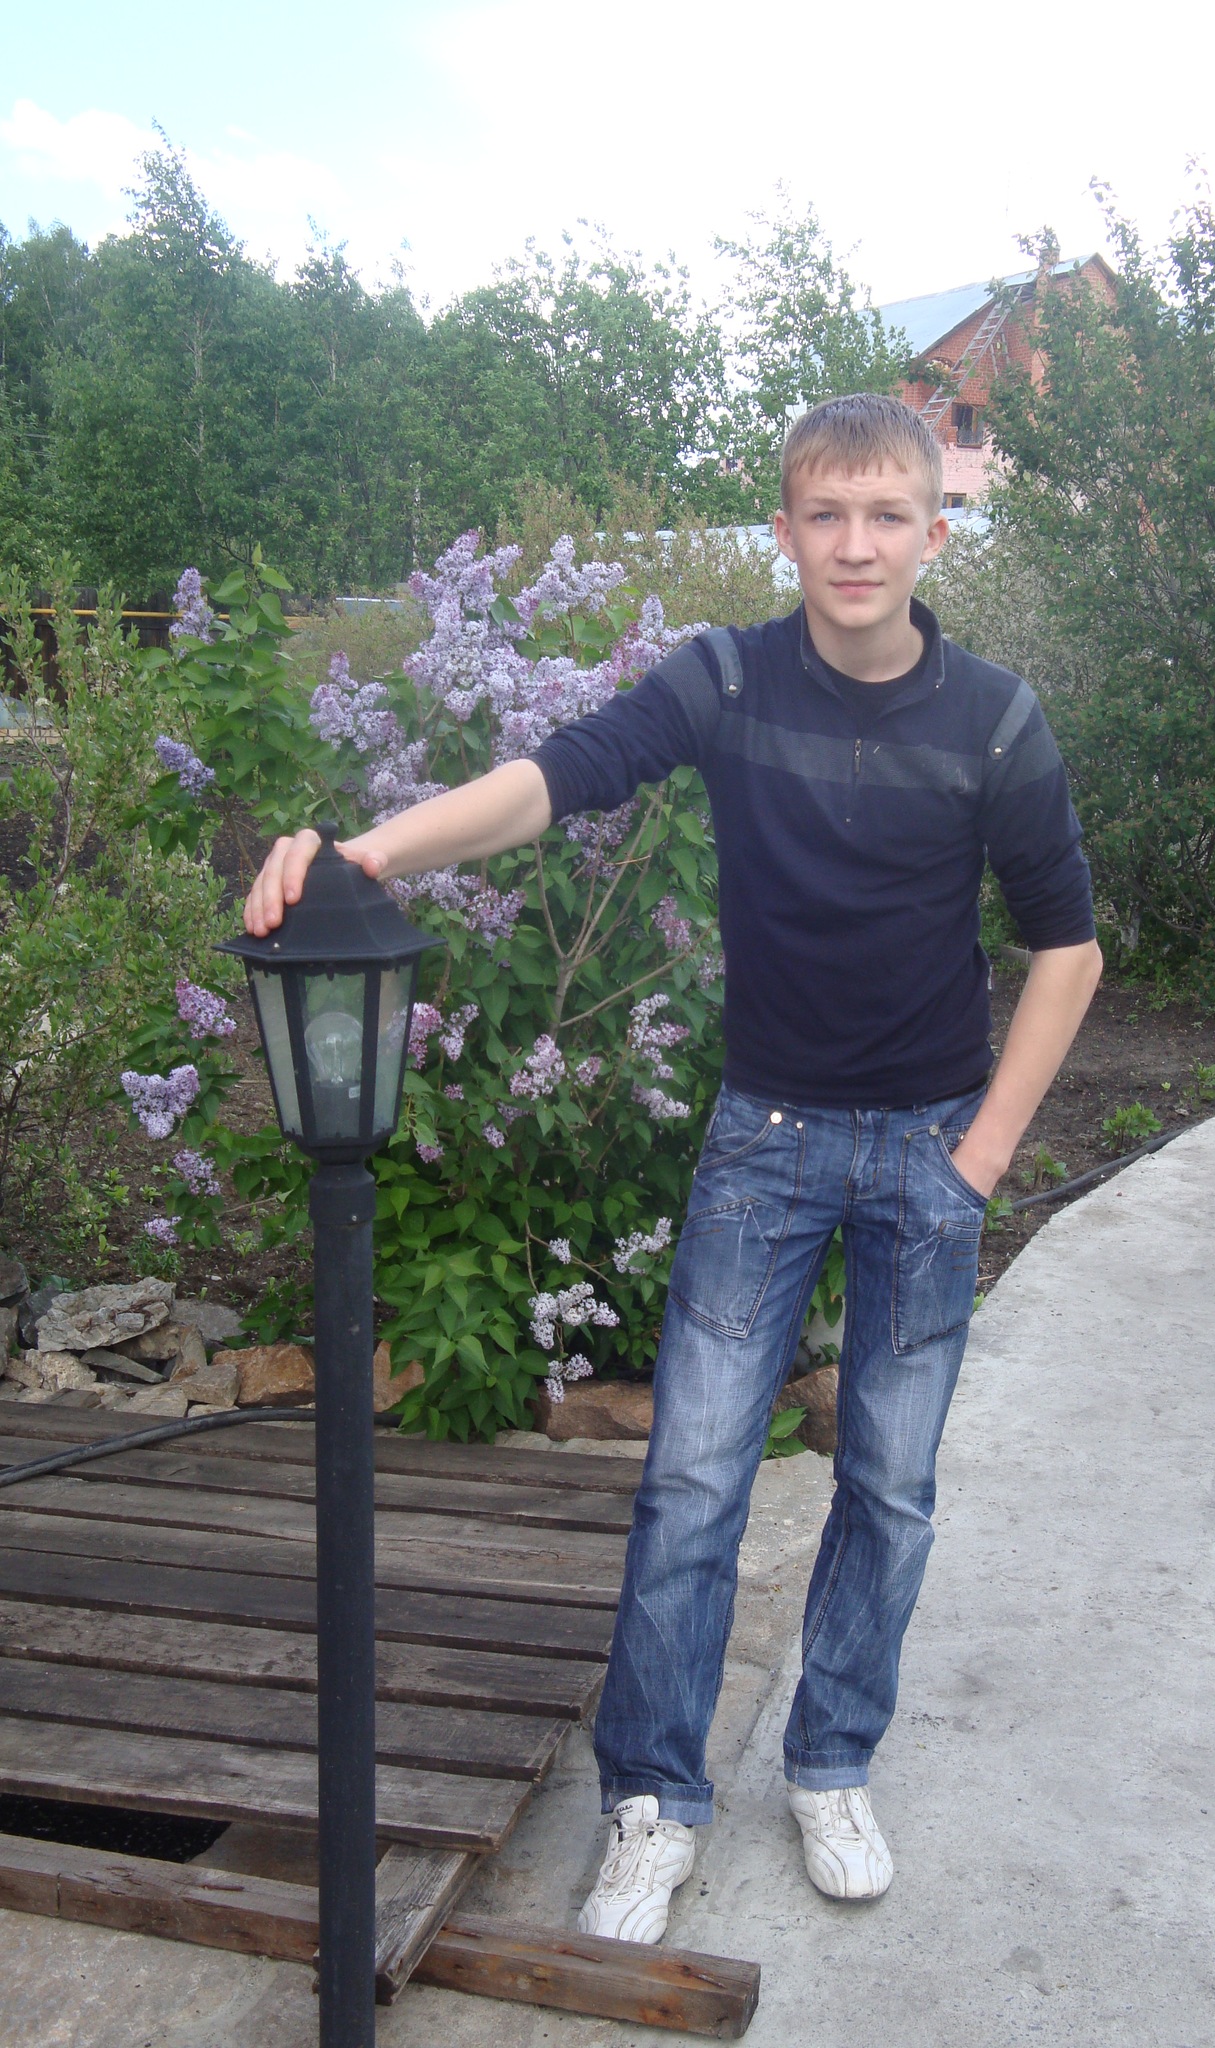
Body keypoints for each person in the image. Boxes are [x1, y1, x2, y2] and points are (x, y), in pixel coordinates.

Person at [245, 393, 1102, 1946]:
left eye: (885, 516)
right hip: (762, 1144)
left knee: (890, 1486)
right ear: (785, 531)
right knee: (693, 1483)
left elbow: (1067, 947)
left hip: (926, 1153)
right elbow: (552, 777)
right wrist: (368, 852)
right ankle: (653, 1801)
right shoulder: (724, 682)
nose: (855, 545)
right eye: (825, 515)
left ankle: (830, 1762)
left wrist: (979, 1157)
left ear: (932, 532)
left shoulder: (992, 720)